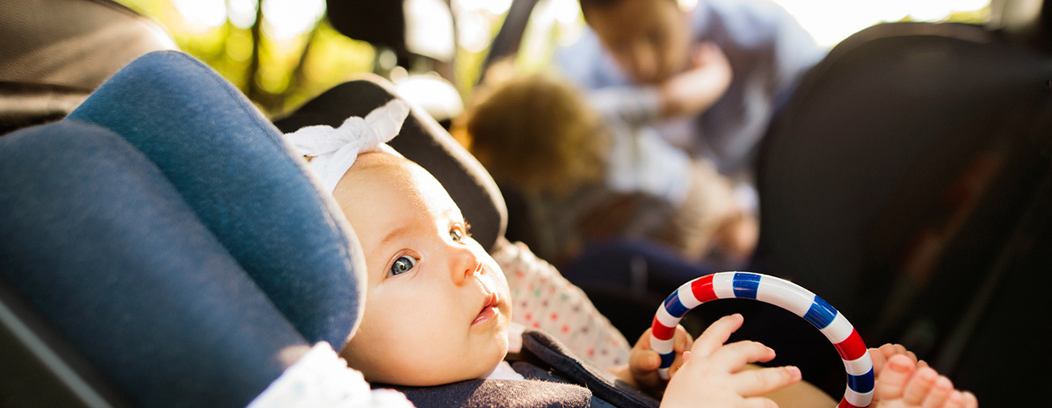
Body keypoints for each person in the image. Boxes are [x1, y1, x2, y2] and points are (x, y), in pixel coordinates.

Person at [270, 99, 977, 408]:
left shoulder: (513, 350)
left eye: (457, 232)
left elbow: (574, 391)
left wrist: (634, 374)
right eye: (402, 263)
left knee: (762, 382)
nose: (467, 260)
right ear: (332, 340)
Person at [555, 0, 826, 221]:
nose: (644, 64)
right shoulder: (576, 84)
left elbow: (826, 128)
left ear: (684, 7)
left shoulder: (762, 34)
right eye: (618, 45)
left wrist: (751, 211)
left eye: (656, 35)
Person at [463, 70, 756, 268]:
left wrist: (587, 239)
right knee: (742, 241)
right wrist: (715, 72)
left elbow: (560, 254)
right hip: (685, 196)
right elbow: (674, 99)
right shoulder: (601, 113)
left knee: (706, 268)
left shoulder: (544, 192)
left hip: (661, 237)